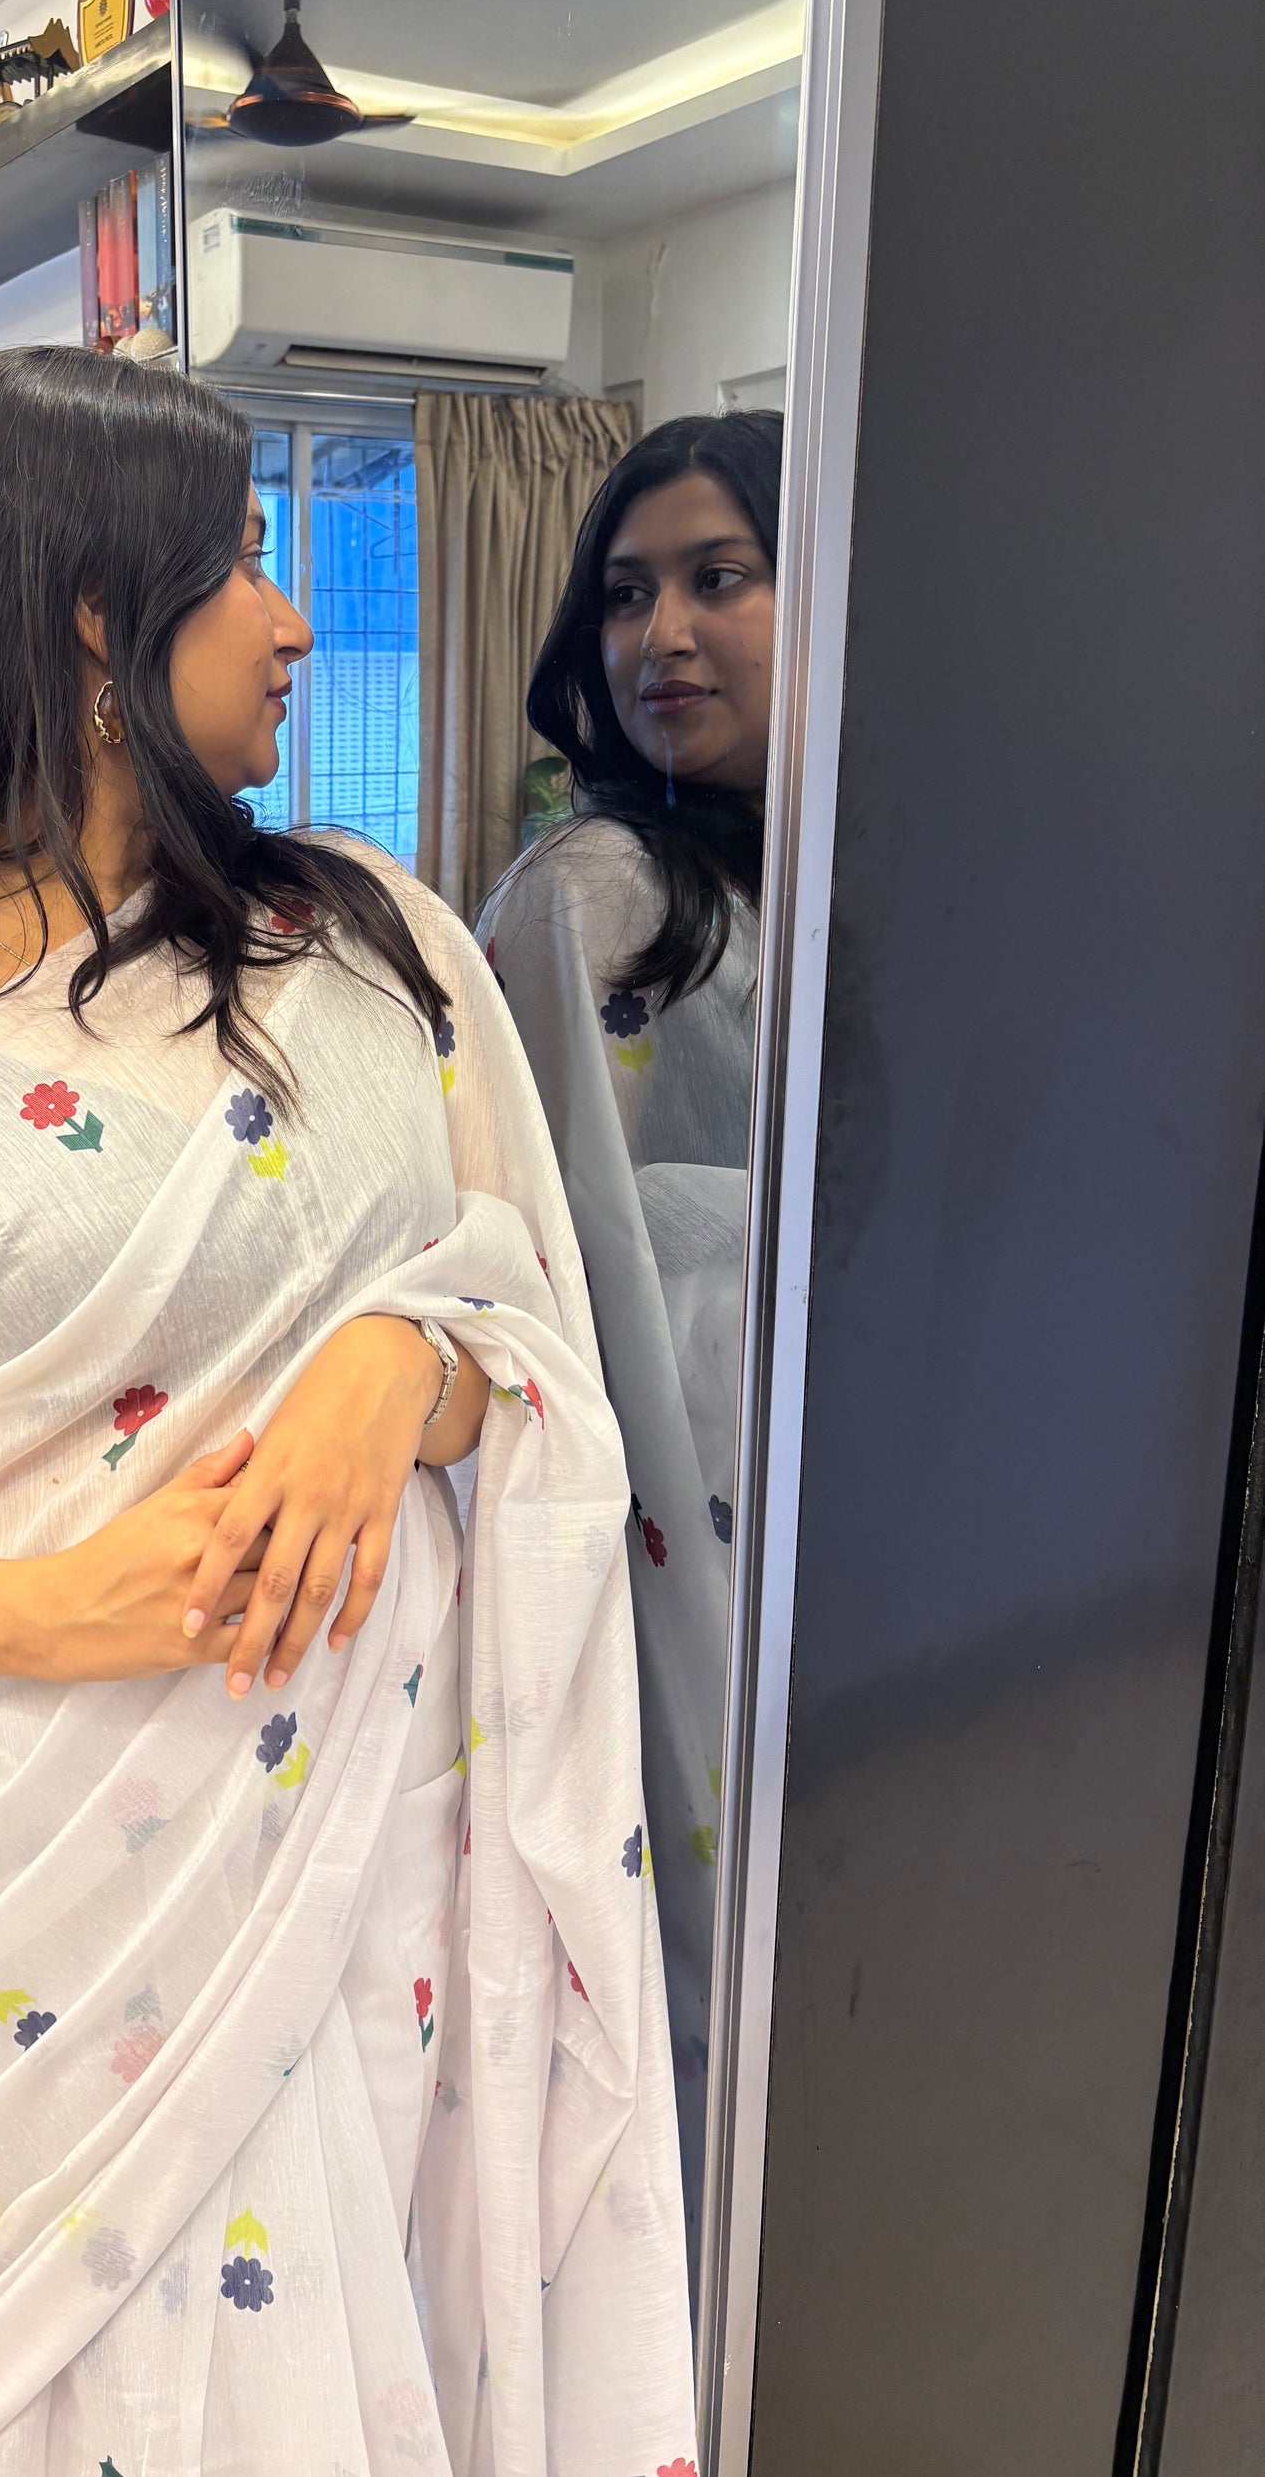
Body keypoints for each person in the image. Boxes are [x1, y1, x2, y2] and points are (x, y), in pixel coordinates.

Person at [0, 347, 693, 2476]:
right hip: (27, 1855)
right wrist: (60, 1609)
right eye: (241, 562)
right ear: (98, 612)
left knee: (363, 2316)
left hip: (378, 1823)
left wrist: (396, 1373)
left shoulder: (371, 936)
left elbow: (527, 1315)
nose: (292, 616)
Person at [477, 409, 780, 2262]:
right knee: (704, 1961)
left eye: (717, 578)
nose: (658, 634)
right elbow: (523, 1265)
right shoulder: (598, 901)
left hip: (902, 1511)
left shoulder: (884, 869)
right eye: (623, 596)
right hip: (680, 1543)